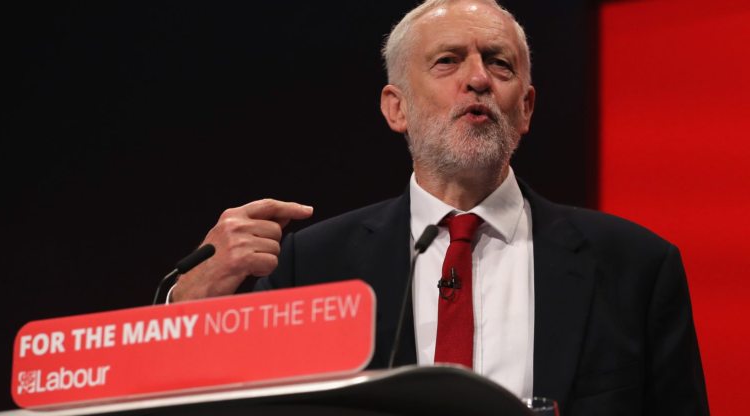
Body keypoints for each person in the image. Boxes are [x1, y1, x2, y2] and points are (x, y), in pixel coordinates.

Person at [170, 0, 709, 414]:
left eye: (499, 64)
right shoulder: (313, 267)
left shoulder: (635, 268)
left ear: (525, 108)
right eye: (448, 61)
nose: (477, 78)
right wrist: (188, 302)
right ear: (396, 108)